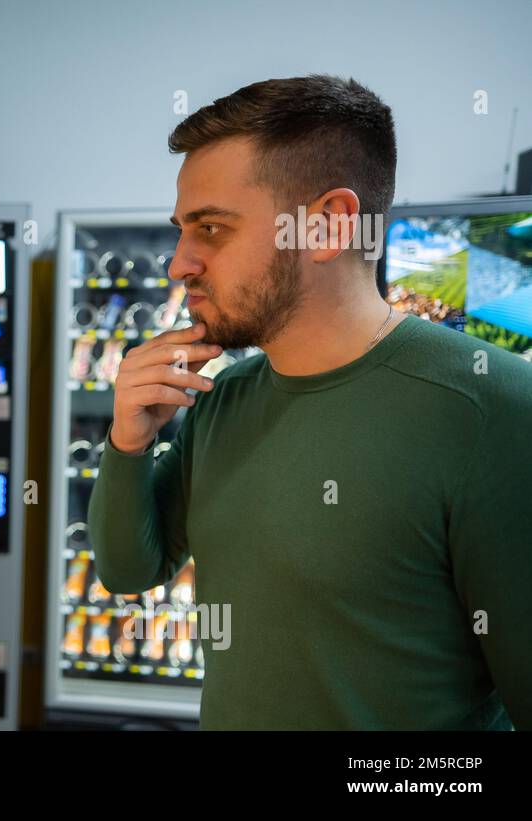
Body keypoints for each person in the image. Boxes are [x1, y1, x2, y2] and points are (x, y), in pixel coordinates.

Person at [90, 74, 532, 729]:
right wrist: (127, 442)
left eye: (210, 228)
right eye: (182, 230)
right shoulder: (221, 397)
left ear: (326, 226)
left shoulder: (494, 409)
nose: (179, 263)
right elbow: (129, 570)